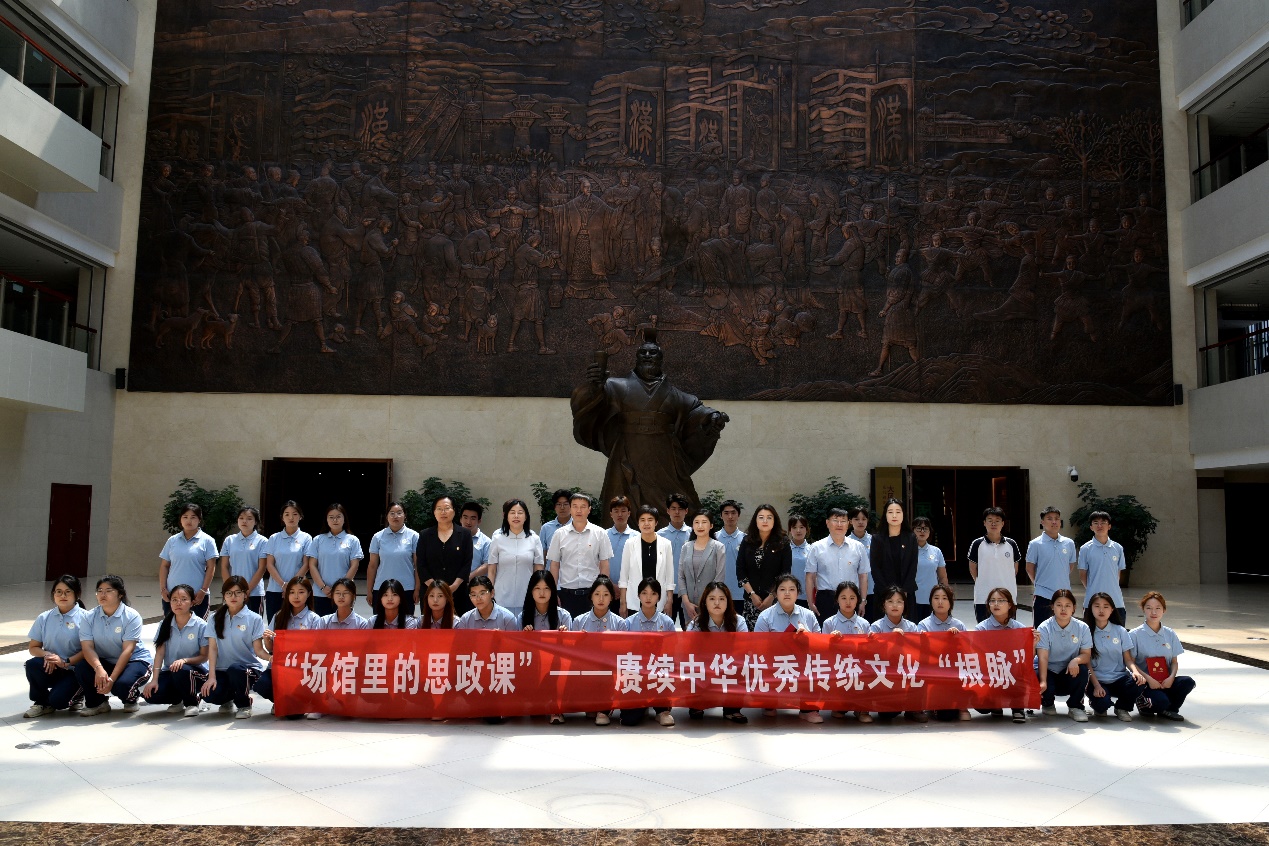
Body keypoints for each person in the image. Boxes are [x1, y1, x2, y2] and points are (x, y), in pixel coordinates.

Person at [74, 575, 154, 717]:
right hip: (105, 661)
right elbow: (87, 647)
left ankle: (131, 699)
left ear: (120, 594)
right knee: (82, 668)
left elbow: (128, 650)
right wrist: (98, 669)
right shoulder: (89, 616)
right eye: (99, 591)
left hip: (133, 661)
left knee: (121, 686)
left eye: (108, 591)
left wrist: (112, 679)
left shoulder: (131, 616)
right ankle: (98, 703)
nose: (102, 594)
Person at [754, 573, 822, 722]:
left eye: (792, 589)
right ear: (775, 593)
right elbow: (758, 648)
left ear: (798, 593)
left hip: (802, 663)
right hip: (774, 663)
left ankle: (808, 708)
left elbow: (820, 646)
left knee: (816, 667)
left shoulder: (808, 615)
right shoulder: (765, 616)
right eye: (782, 589)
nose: (787, 593)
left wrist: (807, 637)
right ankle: (769, 703)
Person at [201, 576, 268, 719]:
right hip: (222, 669)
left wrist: (270, 658)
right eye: (229, 593)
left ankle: (244, 704)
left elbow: (258, 650)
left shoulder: (254, 618)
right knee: (210, 694)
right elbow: (213, 649)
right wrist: (211, 677)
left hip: (246, 670)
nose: (233, 597)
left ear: (245, 594)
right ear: (224, 595)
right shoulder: (214, 618)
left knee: (236, 670)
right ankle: (228, 699)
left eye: (238, 593)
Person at [24, 575, 89, 718]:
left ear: (77, 594)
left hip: (74, 670)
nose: (62, 596)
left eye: (68, 591)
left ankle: (78, 694)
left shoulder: (86, 618)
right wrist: (48, 655)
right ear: (53, 594)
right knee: (33, 664)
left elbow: (89, 650)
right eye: (58, 591)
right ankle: (41, 702)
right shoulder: (44, 617)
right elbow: (33, 647)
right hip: (52, 667)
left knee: (58, 701)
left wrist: (65, 662)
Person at [140, 584, 209, 717]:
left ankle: (192, 702)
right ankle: (178, 700)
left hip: (194, 672)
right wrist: (154, 679)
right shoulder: (165, 624)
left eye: (184, 599)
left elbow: (204, 656)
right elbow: (160, 653)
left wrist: (184, 661)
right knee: (150, 695)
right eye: (174, 600)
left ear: (192, 602)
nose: (178, 603)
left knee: (181, 669)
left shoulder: (201, 625)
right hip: (170, 671)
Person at [685, 581, 748, 723]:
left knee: (743, 667)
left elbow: (743, 649)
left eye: (721, 599)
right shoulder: (696, 624)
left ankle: (732, 709)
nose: (717, 603)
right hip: (705, 666)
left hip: (730, 665)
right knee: (693, 668)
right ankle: (697, 704)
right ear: (705, 602)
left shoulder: (739, 621)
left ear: (728, 602)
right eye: (712, 599)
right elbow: (689, 651)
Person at [618, 577, 677, 726]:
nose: (648, 597)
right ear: (638, 595)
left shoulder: (667, 622)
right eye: (644, 593)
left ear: (659, 597)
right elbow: (623, 653)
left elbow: (673, 652)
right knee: (629, 720)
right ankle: (641, 706)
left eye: (653, 593)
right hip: (635, 673)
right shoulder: (628, 623)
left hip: (659, 672)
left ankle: (662, 711)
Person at [1130, 591, 1196, 721]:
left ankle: (1170, 710)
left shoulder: (1170, 633)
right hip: (1147, 683)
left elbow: (1174, 662)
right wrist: (1149, 679)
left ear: (1164, 610)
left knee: (1188, 682)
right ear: (1143, 609)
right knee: (1160, 702)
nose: (1153, 612)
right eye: (1149, 608)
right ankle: (1143, 703)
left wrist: (1171, 678)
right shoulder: (1134, 634)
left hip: (1166, 682)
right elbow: (1131, 663)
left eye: (1158, 608)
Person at [548, 493, 614, 617]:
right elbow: (554, 565)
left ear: (589, 509)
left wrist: (602, 591)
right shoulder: (559, 534)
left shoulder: (600, 533)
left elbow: (604, 564)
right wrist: (553, 592)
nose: (579, 510)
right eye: (575, 506)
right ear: (570, 509)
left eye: (583, 506)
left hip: (592, 594)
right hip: (566, 594)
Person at [570, 575, 624, 725]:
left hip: (610, 671)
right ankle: (592, 704)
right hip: (585, 670)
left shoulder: (620, 623)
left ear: (612, 597)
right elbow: (572, 653)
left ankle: (604, 709)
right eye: (597, 594)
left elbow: (623, 654)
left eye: (606, 595)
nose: (601, 599)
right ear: (591, 596)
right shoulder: (579, 621)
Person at [1085, 591, 1146, 721]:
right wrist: (1096, 685)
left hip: (1119, 678)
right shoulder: (1086, 631)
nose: (1101, 610)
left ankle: (1122, 708)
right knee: (1101, 706)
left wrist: (1135, 672)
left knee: (1139, 682)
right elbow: (1087, 663)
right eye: (1097, 606)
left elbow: (1128, 659)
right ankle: (1097, 703)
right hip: (1097, 680)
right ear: (1091, 609)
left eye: (1106, 606)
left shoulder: (1120, 631)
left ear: (1112, 609)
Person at [519, 570, 570, 724]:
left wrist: (564, 636)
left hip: (556, 665)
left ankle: (556, 708)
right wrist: (525, 636)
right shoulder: (522, 617)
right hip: (533, 666)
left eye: (546, 588)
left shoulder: (564, 616)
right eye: (537, 588)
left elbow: (571, 650)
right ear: (531, 591)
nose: (542, 593)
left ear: (553, 591)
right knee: (536, 714)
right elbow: (517, 649)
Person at [973, 587, 1030, 723]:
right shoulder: (981, 629)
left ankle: (1017, 707)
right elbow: (977, 657)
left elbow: (1026, 658)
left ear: (1010, 605)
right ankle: (995, 704)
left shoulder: (1020, 629)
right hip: (991, 672)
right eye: (992, 601)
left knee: (1021, 670)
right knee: (981, 706)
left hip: (1012, 672)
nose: (996, 604)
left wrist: (1033, 644)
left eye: (1001, 600)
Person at [1035, 588, 1092, 722]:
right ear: (1052, 607)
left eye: (1067, 605)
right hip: (1049, 669)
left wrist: (1075, 661)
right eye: (1059, 605)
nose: (1063, 609)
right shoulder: (1044, 627)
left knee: (1083, 671)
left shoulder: (1082, 627)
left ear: (1074, 608)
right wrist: (1043, 681)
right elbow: (1043, 657)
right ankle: (1048, 703)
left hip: (1069, 670)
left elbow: (1086, 655)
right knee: (1039, 674)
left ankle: (1075, 706)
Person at [870, 587, 925, 722]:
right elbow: (873, 654)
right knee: (887, 715)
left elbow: (917, 653)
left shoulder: (912, 627)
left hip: (907, 670)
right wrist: (890, 638)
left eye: (899, 601)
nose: (895, 605)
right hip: (886, 673)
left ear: (904, 605)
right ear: (884, 604)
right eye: (890, 601)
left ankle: (913, 709)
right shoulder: (876, 627)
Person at [917, 583, 970, 722]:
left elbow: (967, 652)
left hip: (954, 672)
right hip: (933, 673)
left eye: (945, 598)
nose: (940, 602)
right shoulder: (923, 625)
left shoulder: (959, 625)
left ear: (951, 602)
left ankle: (962, 706)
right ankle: (932, 705)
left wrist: (955, 639)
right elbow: (920, 654)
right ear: (931, 601)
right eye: (936, 598)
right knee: (945, 716)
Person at [806, 508, 870, 622]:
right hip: (826, 599)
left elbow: (863, 576)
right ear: (827, 522)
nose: (839, 524)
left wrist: (863, 601)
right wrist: (810, 603)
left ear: (848, 524)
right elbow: (810, 576)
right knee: (825, 632)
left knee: (851, 631)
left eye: (843, 521)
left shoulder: (858, 547)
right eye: (835, 520)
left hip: (851, 598)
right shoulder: (816, 547)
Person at [737, 504, 793, 630]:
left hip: (775, 600)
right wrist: (752, 594)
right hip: (751, 601)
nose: (765, 521)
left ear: (775, 520)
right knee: (752, 639)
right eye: (761, 517)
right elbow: (740, 570)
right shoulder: (747, 541)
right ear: (755, 520)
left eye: (769, 517)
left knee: (775, 636)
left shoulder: (783, 542)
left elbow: (785, 573)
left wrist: (772, 596)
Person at [159, 503, 218, 618]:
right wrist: (163, 588)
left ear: (199, 520)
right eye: (185, 517)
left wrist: (203, 590)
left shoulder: (207, 541)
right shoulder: (172, 540)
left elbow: (211, 567)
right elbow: (164, 565)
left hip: (196, 596)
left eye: (193, 517)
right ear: (180, 519)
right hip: (173, 594)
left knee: (197, 627)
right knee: (171, 626)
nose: (188, 521)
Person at [488, 498, 544, 619]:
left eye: (520, 512)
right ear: (506, 516)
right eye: (512, 512)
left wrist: (539, 591)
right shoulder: (498, 539)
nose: (516, 516)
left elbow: (539, 569)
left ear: (526, 516)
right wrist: (489, 592)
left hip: (527, 594)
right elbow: (492, 569)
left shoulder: (534, 539)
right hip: (501, 595)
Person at [304, 503, 364, 616]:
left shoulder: (352, 540)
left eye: (338, 517)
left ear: (344, 519)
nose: (335, 520)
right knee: (321, 624)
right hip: (320, 593)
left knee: (343, 624)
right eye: (331, 517)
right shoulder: (318, 540)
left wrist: (341, 588)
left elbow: (354, 565)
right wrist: (323, 587)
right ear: (326, 520)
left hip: (344, 593)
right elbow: (312, 565)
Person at [419, 494, 475, 614]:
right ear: (434, 512)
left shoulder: (465, 534)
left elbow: (467, 564)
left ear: (454, 511)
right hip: (430, 593)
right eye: (439, 509)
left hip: (457, 592)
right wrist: (435, 588)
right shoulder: (425, 535)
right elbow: (421, 565)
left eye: (447, 508)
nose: (443, 512)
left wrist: (453, 586)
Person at [1026, 506, 1078, 627]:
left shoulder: (1069, 543)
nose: (1054, 522)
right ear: (1042, 522)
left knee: (1064, 628)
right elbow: (1029, 568)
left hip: (1064, 595)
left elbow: (1070, 566)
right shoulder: (1035, 544)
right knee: (1041, 630)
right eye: (1049, 519)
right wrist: (1039, 583)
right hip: (1043, 595)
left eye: (1057, 518)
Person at [968, 507, 1021, 623]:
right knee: (984, 631)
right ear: (984, 523)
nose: (993, 523)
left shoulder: (1011, 544)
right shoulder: (977, 544)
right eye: (990, 520)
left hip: (1008, 596)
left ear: (1003, 523)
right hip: (983, 597)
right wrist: (982, 582)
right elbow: (973, 568)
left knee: (1008, 629)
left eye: (997, 520)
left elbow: (1015, 569)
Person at [367, 500, 419, 617]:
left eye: (399, 513)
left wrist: (417, 589)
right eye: (392, 513)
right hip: (381, 588)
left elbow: (417, 565)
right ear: (387, 516)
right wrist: (369, 590)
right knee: (381, 623)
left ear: (405, 516)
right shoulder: (378, 537)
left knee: (405, 622)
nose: (396, 516)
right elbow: (372, 565)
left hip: (407, 588)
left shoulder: (414, 536)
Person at [619, 505, 674, 617]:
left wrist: (669, 601)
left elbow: (669, 576)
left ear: (656, 522)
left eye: (650, 520)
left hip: (659, 601)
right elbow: (624, 576)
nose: (646, 523)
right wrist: (623, 602)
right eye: (642, 520)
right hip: (635, 601)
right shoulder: (630, 544)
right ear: (638, 523)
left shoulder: (666, 544)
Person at [869, 499, 919, 621]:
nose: (894, 515)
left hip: (906, 594)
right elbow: (875, 568)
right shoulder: (877, 539)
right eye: (890, 512)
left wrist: (904, 592)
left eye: (898, 512)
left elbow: (913, 566)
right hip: (883, 594)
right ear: (885, 515)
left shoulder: (911, 538)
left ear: (903, 514)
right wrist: (888, 594)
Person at [264, 501, 312, 623]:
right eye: (287, 514)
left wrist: (291, 586)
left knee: (296, 626)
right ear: (282, 517)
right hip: (275, 590)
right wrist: (283, 585)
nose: (291, 517)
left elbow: (306, 564)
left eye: (295, 514)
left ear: (300, 516)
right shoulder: (274, 538)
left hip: (298, 591)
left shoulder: (306, 538)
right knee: (275, 626)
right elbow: (269, 564)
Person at [1078, 510, 1127, 625]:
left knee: (1118, 633)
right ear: (1091, 527)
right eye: (1096, 523)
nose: (1099, 526)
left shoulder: (1118, 548)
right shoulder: (1085, 549)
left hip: (1116, 602)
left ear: (1109, 526)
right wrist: (1093, 588)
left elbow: (1117, 574)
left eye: (1103, 522)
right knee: (1091, 634)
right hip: (1092, 601)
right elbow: (1082, 575)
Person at [219, 506, 268, 615]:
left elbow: (262, 568)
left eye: (249, 518)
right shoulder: (229, 540)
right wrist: (230, 588)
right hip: (233, 593)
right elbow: (224, 566)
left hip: (254, 592)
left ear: (256, 522)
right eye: (241, 518)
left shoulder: (262, 541)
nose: (244, 521)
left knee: (254, 623)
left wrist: (247, 590)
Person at [679, 512, 725, 624]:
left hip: (711, 604)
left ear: (711, 525)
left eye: (704, 522)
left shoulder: (718, 547)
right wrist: (686, 602)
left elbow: (719, 579)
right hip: (689, 605)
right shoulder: (686, 547)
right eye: (696, 522)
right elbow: (681, 576)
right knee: (690, 633)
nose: (700, 526)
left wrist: (708, 602)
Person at [657, 493, 692, 619]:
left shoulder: (693, 534)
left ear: (686, 511)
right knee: (665, 627)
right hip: (665, 591)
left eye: (680, 509)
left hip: (688, 592)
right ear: (668, 511)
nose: (677, 512)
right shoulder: (659, 535)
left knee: (690, 627)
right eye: (673, 508)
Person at [911, 517, 948, 622]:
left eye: (925, 528)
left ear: (929, 531)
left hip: (932, 599)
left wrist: (945, 595)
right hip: (913, 599)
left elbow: (942, 577)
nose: (922, 531)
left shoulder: (936, 551)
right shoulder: (908, 551)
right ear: (913, 530)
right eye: (919, 528)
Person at [455, 575, 520, 630]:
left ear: (492, 593)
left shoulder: (507, 618)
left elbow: (514, 641)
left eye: (482, 593)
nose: (478, 598)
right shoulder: (465, 619)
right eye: (474, 595)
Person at [717, 500, 746, 608]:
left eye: (733, 513)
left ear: (738, 515)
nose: (730, 516)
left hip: (741, 593)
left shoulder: (746, 539)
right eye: (726, 513)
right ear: (721, 516)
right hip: (718, 592)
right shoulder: (713, 539)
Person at [606, 496, 638, 589]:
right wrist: (610, 584)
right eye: (616, 511)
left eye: (623, 511)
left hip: (631, 588)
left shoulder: (637, 537)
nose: (620, 514)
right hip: (607, 587)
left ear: (629, 513)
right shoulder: (604, 535)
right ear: (611, 514)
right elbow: (599, 563)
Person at [461, 502, 493, 581]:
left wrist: (467, 578)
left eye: (473, 518)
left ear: (479, 521)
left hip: (475, 584)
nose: (468, 522)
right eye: (465, 517)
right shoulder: (452, 537)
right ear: (460, 519)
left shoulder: (486, 542)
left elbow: (487, 565)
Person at [786, 514, 811, 608]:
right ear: (790, 530)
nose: (798, 531)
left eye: (801, 527)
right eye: (794, 527)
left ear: (807, 529)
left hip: (807, 597)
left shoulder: (812, 549)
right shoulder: (784, 549)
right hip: (787, 595)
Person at [539, 488, 573, 554]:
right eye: (559, 504)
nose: (562, 507)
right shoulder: (546, 528)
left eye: (566, 504)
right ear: (554, 507)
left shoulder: (578, 526)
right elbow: (542, 553)